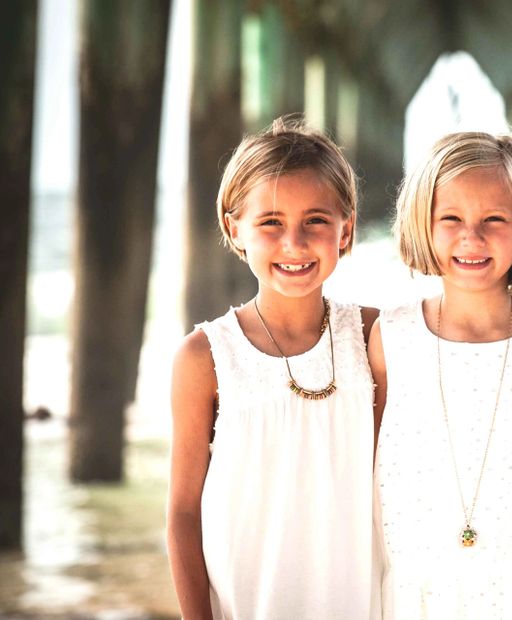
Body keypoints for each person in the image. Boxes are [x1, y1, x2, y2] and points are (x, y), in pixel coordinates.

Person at [370, 131, 512, 619]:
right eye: (450, 218)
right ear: (422, 224)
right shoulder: (391, 334)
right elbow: (358, 463)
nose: (471, 237)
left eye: (494, 219)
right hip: (417, 595)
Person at [167, 116, 379, 619]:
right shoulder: (205, 357)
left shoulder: (375, 337)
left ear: (345, 230)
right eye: (271, 223)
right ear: (233, 228)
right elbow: (182, 512)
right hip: (247, 602)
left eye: (316, 221)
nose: (295, 243)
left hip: (357, 601)